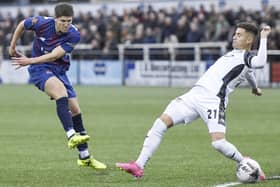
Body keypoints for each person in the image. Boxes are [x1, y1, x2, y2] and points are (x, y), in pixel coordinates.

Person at [116, 22, 271, 179]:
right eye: (235, 34)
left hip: (213, 100)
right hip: (194, 95)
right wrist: (254, 88)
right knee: (160, 124)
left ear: (249, 40)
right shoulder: (236, 55)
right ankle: (138, 165)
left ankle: (246, 162)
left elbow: (259, 63)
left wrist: (263, 38)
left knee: (218, 143)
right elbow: (249, 73)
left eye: (239, 35)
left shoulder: (247, 56)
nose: (234, 37)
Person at [9, 3, 106, 169]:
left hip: (58, 70)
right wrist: (12, 46)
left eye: (69, 20)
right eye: (63, 21)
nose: (66, 24)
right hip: (40, 69)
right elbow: (22, 24)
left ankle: (84, 157)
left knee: (76, 110)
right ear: (55, 19)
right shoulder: (41, 23)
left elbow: (54, 56)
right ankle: (70, 135)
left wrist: (29, 60)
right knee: (60, 92)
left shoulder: (74, 34)